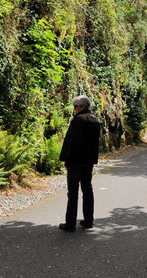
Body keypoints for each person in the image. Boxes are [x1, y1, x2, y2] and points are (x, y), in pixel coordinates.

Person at [59, 95, 100, 232]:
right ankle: (89, 220)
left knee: (73, 193)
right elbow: (95, 144)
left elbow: (73, 143)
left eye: (75, 106)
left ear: (82, 106)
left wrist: (68, 161)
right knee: (87, 190)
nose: (74, 109)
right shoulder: (94, 120)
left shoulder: (79, 120)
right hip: (88, 162)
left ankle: (70, 224)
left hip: (76, 162)